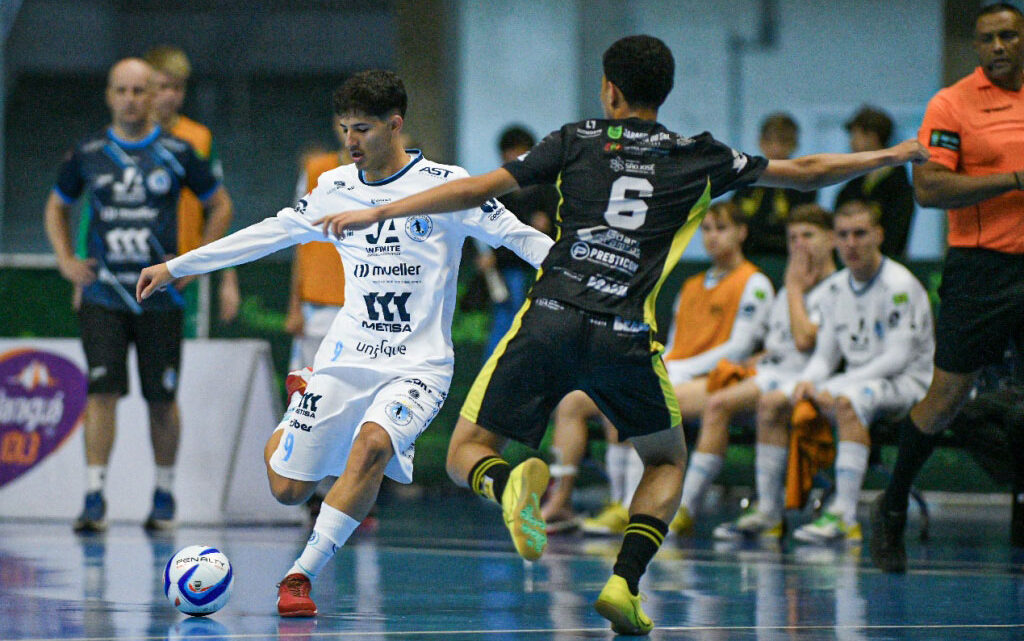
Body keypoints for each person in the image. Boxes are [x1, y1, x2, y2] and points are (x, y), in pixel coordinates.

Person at [318, 36, 927, 635]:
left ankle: (506, 486)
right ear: (665, 92)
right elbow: (806, 173)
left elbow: (480, 188)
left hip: (550, 318)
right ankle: (623, 583)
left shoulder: (576, 139)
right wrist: (893, 155)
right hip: (625, 333)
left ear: (610, 89)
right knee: (665, 459)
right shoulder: (698, 155)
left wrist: (379, 210)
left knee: (464, 452)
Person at [136, 70, 553, 617]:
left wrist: (584, 279)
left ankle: (298, 576)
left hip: (420, 365)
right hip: (344, 357)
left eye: (362, 129)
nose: (351, 141)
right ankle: (297, 406)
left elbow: (521, 237)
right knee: (287, 488)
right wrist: (175, 265)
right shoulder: (335, 186)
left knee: (373, 446)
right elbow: (267, 233)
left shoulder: (446, 184)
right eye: (344, 128)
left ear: (395, 124)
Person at [43, 58, 232, 532]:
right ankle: (93, 497)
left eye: (139, 91)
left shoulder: (178, 151)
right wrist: (67, 262)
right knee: (101, 391)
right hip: (104, 294)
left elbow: (220, 204)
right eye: (121, 91)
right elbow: (56, 207)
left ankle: (164, 494)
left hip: (158, 299)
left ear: (154, 97)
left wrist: (195, 261)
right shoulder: (88, 151)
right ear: (110, 95)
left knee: (161, 397)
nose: (130, 99)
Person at [871, 2, 1024, 574]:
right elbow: (930, 188)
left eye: (1009, 36)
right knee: (946, 400)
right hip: (981, 270)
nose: (999, 47)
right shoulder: (952, 103)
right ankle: (889, 509)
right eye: (988, 39)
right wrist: (1013, 180)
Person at [713, 201, 933, 544]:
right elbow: (825, 358)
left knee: (847, 400)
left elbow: (897, 358)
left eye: (860, 234)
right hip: (858, 379)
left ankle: (844, 516)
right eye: (844, 235)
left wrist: (835, 384)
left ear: (878, 235)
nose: (851, 243)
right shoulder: (836, 289)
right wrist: (807, 382)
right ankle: (769, 512)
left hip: (907, 384)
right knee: (772, 402)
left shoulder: (899, 285)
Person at [575, 200, 774, 537]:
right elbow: (677, 340)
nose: (712, 237)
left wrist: (675, 367)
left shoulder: (755, 283)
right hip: (682, 375)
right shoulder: (691, 285)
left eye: (721, 228)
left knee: (645, 402)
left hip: (727, 377)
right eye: (707, 229)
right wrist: (667, 366)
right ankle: (622, 503)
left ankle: (676, 510)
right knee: (616, 399)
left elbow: (739, 349)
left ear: (741, 233)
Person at [670, 204, 837, 537]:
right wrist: (754, 361)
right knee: (725, 397)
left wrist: (792, 288)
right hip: (773, 374)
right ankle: (768, 513)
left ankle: (685, 508)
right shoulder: (791, 284)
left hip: (809, 379)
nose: (799, 244)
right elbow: (779, 346)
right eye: (793, 237)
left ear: (831, 239)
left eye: (808, 235)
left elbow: (805, 342)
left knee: (718, 403)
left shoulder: (834, 288)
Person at [143, 45, 241, 326]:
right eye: (163, 87)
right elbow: (95, 208)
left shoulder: (198, 139)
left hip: (183, 274)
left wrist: (227, 276)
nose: (171, 95)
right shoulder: (124, 137)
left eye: (178, 88)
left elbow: (219, 209)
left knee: (184, 361)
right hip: (129, 268)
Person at [474, 126, 558, 357]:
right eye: (509, 153)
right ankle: (491, 380)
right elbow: (491, 233)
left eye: (519, 153)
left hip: (541, 274)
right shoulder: (500, 194)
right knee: (502, 329)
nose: (513, 159)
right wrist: (489, 258)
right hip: (507, 273)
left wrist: (548, 225)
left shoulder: (547, 194)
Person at [732, 113, 819, 261]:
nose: (776, 147)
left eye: (783, 141)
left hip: (789, 258)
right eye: (769, 140)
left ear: (794, 144)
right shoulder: (746, 180)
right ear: (760, 142)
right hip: (748, 258)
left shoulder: (804, 181)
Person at [834, 105, 915, 259]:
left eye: (855, 136)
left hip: (887, 260)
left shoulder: (899, 185)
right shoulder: (852, 183)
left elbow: (898, 231)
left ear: (872, 136)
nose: (851, 143)